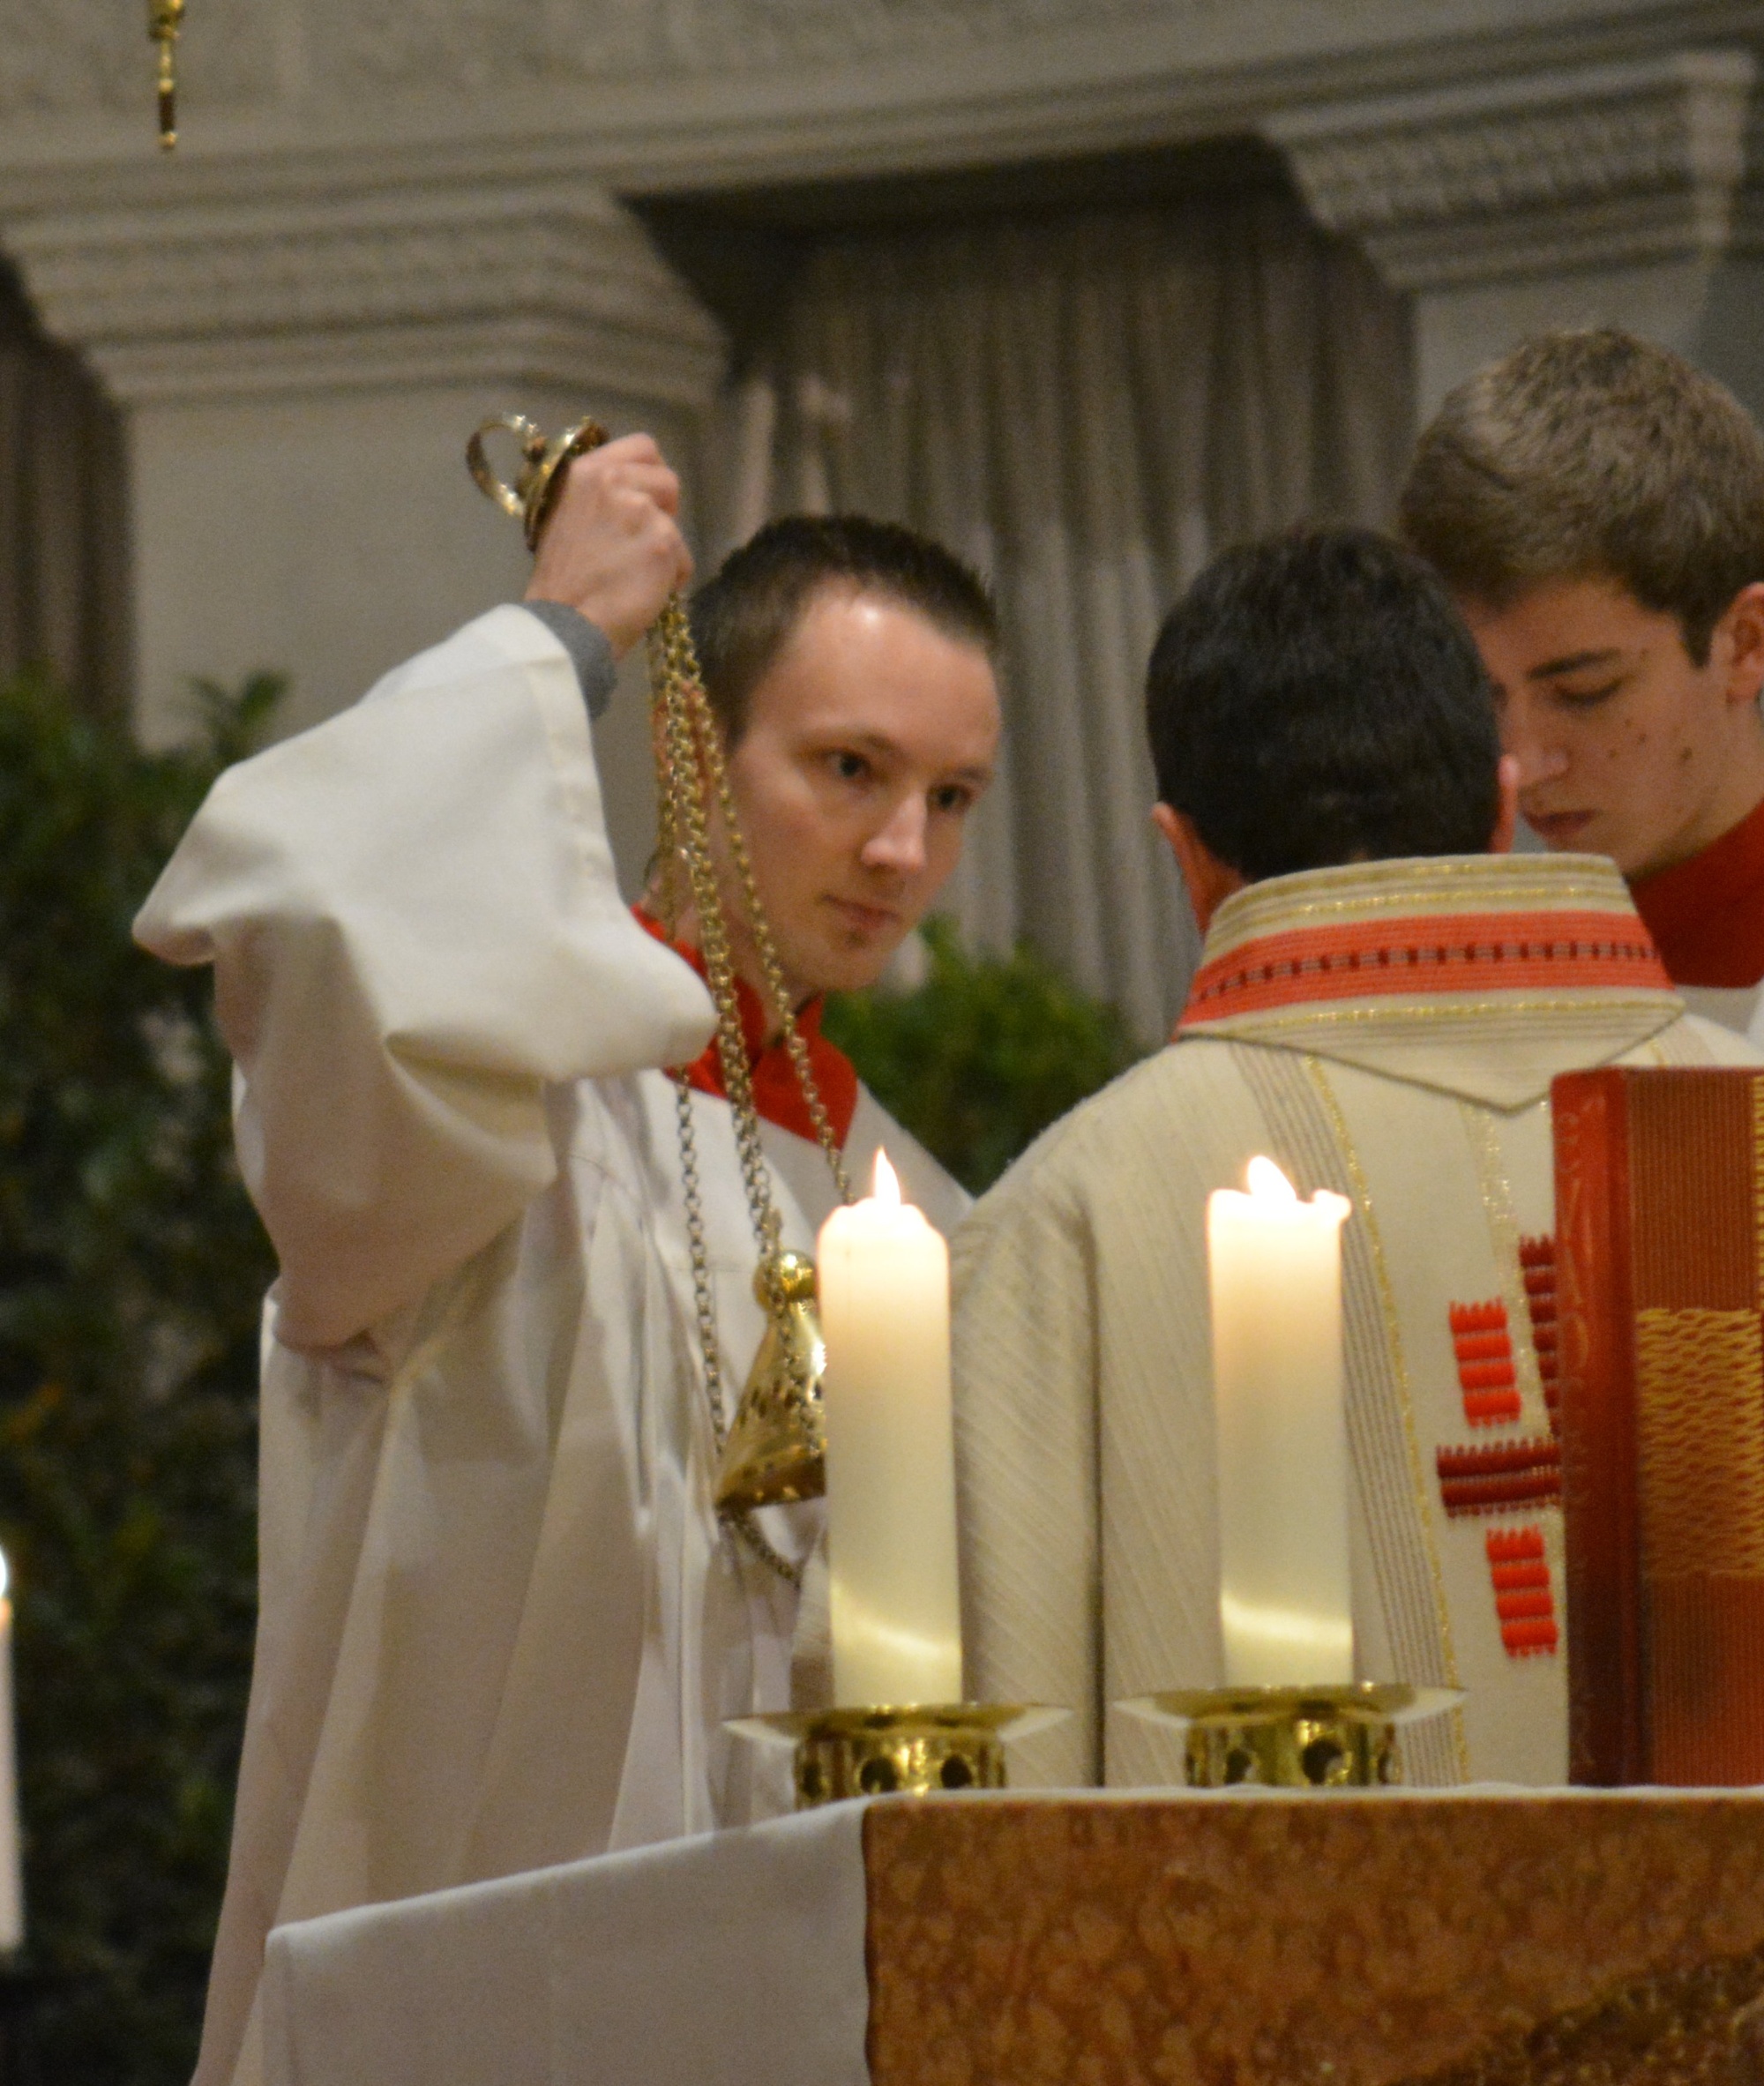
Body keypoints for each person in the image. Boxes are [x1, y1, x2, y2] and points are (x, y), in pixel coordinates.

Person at [136, 437, 1001, 2086]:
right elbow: (310, 888)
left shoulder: (930, 1223)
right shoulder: (478, 1122)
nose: (903, 850)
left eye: (950, 797)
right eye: (849, 770)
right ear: (696, 755)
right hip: (464, 1998)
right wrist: (559, 637)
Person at [951, 527, 1761, 1797]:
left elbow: (967, 1843)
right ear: (1500, 808)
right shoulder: (1742, 1113)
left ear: (1186, 858)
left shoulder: (1074, 1215)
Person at [1400, 329, 1764, 1037]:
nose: (1522, 766)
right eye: (1484, 696)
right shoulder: (1472, 993)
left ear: (1744, 646)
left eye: (1585, 691)